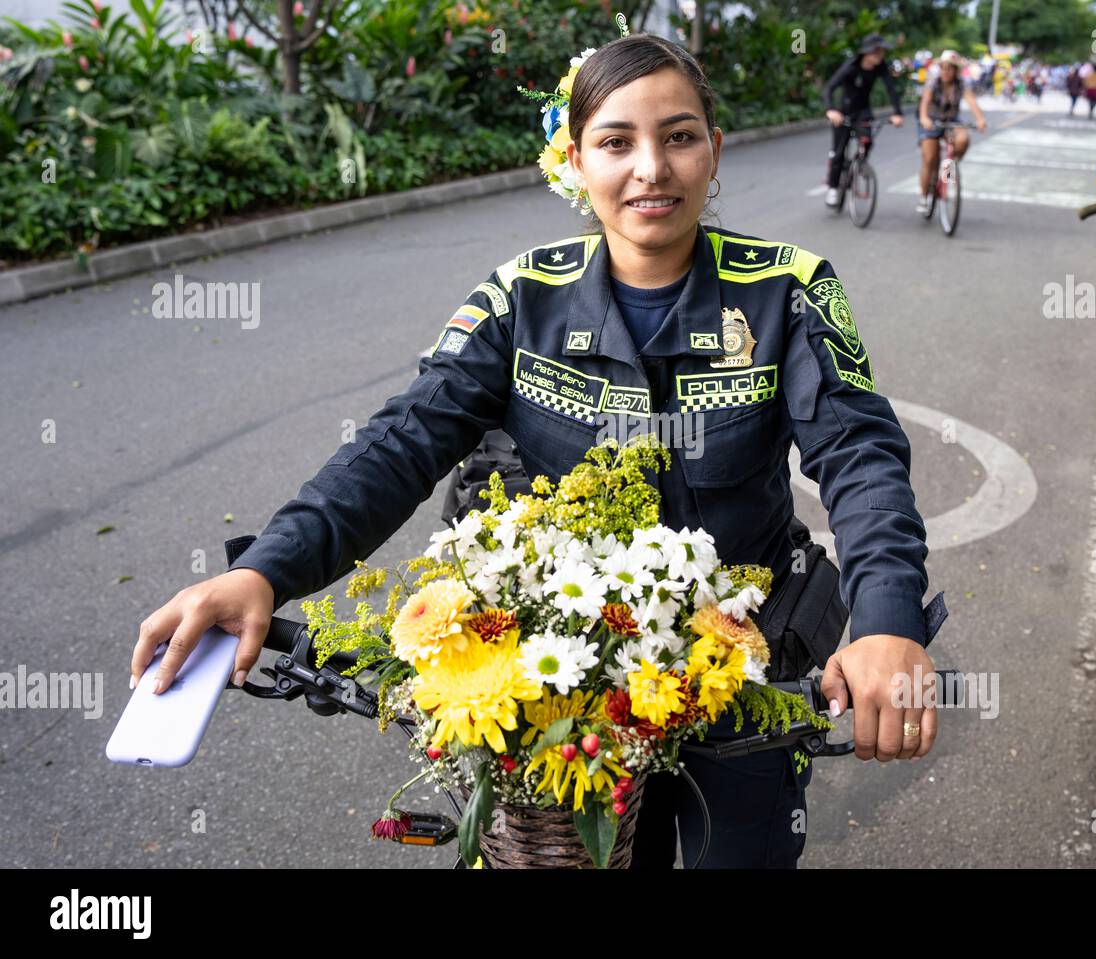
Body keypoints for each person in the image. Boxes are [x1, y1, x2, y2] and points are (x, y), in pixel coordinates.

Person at [130, 32, 939, 870]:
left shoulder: (789, 287)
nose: (652, 169)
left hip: (743, 675)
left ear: (713, 150)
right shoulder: (520, 295)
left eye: (680, 136)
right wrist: (262, 569)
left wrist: (886, 622)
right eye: (617, 142)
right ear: (576, 160)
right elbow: (404, 439)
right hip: (559, 692)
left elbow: (860, 455)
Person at [822, 33, 905, 208]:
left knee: (867, 140)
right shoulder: (850, 67)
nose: (880, 56)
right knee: (838, 152)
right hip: (843, 112)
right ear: (867, 52)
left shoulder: (880, 67)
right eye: (877, 52)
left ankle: (859, 164)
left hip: (863, 111)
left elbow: (891, 89)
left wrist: (897, 113)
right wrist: (830, 110)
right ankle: (833, 187)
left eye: (882, 52)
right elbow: (829, 88)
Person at [916, 50, 987, 214]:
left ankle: (948, 167)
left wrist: (980, 120)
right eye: (944, 68)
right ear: (940, 68)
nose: (946, 71)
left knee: (963, 139)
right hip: (931, 121)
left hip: (951, 121)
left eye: (950, 68)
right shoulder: (933, 82)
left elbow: (971, 101)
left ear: (956, 70)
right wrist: (924, 118)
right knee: (929, 158)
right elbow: (924, 103)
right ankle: (924, 196)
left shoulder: (961, 83)